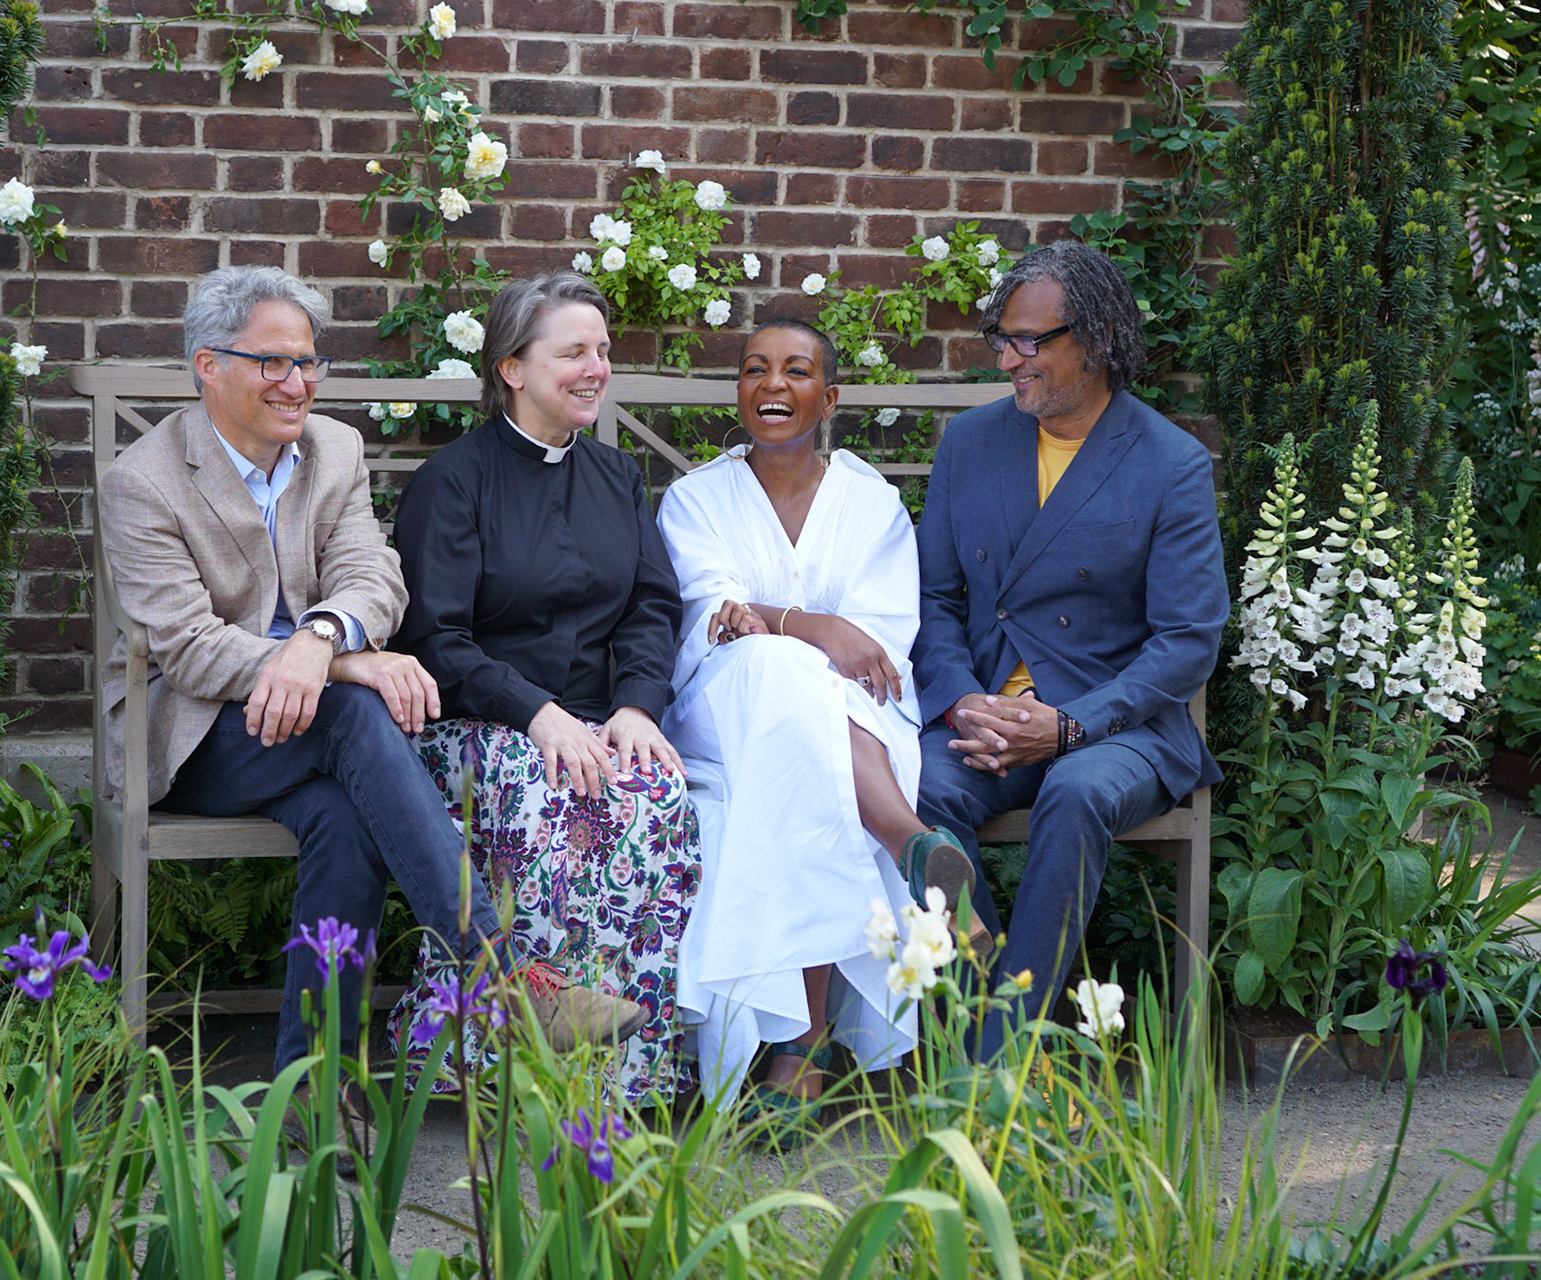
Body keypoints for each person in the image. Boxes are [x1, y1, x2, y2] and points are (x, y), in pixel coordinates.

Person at [98, 266, 642, 1084]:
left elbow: (374, 578)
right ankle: (498, 975)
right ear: (208, 366)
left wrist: (320, 636)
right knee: (355, 715)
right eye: (272, 363)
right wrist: (342, 661)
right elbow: (190, 649)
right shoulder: (143, 483)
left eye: (309, 363)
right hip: (198, 732)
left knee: (346, 823)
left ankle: (312, 1094)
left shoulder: (334, 449)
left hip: (310, 733)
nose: (297, 384)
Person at [386, 272, 699, 1102]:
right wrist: (537, 714)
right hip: (472, 728)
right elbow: (433, 639)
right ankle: (486, 1063)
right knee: (549, 788)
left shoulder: (616, 477)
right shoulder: (451, 483)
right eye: (574, 352)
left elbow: (649, 606)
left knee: (658, 791)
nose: (596, 367)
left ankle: (628, 1076)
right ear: (512, 369)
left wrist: (635, 705)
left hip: (593, 719)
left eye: (603, 350)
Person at [911, 241, 1228, 1062]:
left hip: (1117, 726)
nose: (1011, 361)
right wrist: (959, 701)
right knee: (916, 787)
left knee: (1078, 794)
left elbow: (1190, 637)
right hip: (986, 716)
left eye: (1030, 342)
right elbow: (937, 602)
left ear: (1097, 340)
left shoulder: (1170, 463)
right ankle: (984, 1006)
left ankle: (995, 1056)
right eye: (1003, 340)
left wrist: (1069, 727)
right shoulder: (972, 443)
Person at [657, 319, 977, 1119]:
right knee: (774, 667)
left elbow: (877, 649)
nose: (773, 385)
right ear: (738, 390)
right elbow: (710, 617)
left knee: (798, 717)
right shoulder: (697, 498)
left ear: (828, 397)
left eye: (796, 371)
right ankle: (906, 840)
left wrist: (777, 619)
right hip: (723, 711)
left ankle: (801, 1042)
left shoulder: (871, 504)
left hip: (854, 724)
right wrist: (812, 625)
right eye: (755, 370)